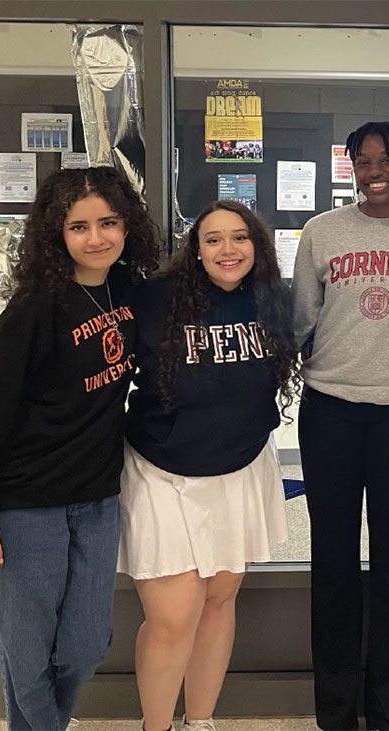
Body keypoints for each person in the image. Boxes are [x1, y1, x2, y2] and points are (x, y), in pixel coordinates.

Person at [0, 166, 160, 731]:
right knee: (28, 652)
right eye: (79, 226)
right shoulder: (34, 311)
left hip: (98, 498)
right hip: (23, 504)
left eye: (108, 222)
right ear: (55, 234)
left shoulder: (126, 290)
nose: (96, 238)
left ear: (126, 224)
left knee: (86, 644)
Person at [292, 121, 389, 731]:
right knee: (331, 565)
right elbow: (303, 317)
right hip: (329, 408)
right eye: (363, 160)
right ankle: (335, 713)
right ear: (350, 166)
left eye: (387, 158)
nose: (375, 169)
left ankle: (387, 713)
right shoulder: (322, 232)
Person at [119, 200, 298, 731]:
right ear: (195, 250)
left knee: (219, 602)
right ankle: (157, 727)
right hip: (162, 470)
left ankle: (200, 721)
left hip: (239, 468)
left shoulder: (274, 302)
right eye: (213, 239)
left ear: (257, 247)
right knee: (174, 617)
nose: (227, 249)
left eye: (239, 238)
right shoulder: (155, 301)